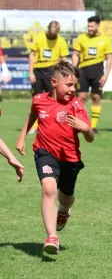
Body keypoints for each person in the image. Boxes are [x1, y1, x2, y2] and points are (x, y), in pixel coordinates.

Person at [15, 61, 94, 254]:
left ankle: (64, 212)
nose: (72, 89)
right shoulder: (39, 100)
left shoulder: (77, 106)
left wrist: (85, 129)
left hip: (70, 158)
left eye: (75, 85)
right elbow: (33, 114)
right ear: (53, 82)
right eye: (68, 85)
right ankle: (52, 237)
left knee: (66, 197)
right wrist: (22, 136)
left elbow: (90, 138)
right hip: (45, 152)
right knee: (49, 188)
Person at [72, 16, 112, 133]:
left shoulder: (106, 40)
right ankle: (78, 125)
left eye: (92, 26)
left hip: (98, 74)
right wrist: (74, 69)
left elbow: (109, 58)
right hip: (83, 73)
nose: (89, 28)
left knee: (96, 98)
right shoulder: (81, 38)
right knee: (81, 98)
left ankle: (93, 126)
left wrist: (106, 75)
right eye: (88, 26)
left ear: (98, 26)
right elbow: (75, 54)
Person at [28, 21, 70, 134]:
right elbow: (32, 55)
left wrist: (65, 74)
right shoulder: (39, 38)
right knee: (37, 99)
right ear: (48, 29)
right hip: (38, 70)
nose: (52, 36)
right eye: (51, 34)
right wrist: (31, 72)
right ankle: (34, 125)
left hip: (52, 71)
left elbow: (64, 58)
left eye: (55, 34)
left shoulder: (61, 40)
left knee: (53, 99)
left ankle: (51, 124)